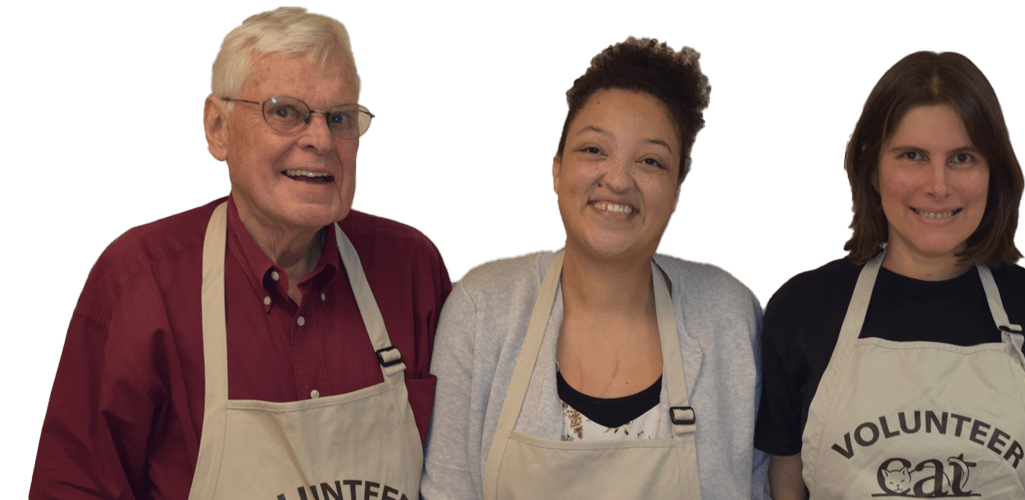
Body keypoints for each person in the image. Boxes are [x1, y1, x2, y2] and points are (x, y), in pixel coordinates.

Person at [29, 6, 451, 500]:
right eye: (285, 112)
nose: (320, 139)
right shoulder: (141, 282)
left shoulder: (411, 269)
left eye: (339, 118)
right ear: (217, 128)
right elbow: (74, 487)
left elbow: (457, 471)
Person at [420, 36, 763, 500]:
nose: (618, 179)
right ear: (557, 168)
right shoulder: (483, 309)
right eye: (594, 150)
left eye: (650, 161)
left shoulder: (728, 316)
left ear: (678, 188)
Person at [755, 51, 1025, 500]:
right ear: (872, 168)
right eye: (912, 156)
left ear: (993, 173)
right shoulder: (802, 310)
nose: (938, 185)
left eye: (962, 158)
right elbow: (784, 486)